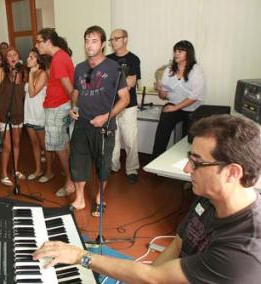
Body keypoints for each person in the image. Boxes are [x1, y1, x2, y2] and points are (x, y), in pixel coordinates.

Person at [34, 114, 261, 283]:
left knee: (80, 256)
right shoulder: (209, 198)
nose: (187, 168)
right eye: (189, 158)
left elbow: (156, 277)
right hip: (162, 276)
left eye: (197, 162)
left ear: (233, 172)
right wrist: (147, 277)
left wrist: (82, 257)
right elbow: (178, 244)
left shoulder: (243, 252)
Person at [68, 26, 129, 214]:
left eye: (94, 41)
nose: (89, 45)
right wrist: (74, 107)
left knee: (103, 164)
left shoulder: (114, 68)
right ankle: (79, 200)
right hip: (82, 124)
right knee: (78, 162)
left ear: (103, 44)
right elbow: (77, 92)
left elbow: (125, 99)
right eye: (87, 40)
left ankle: (99, 199)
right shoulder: (81, 68)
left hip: (104, 125)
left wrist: (106, 117)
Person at [35, 28, 75, 196]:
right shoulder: (61, 56)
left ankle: (70, 182)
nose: (36, 45)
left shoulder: (58, 59)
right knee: (64, 144)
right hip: (59, 105)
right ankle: (71, 177)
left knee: (59, 146)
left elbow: (69, 89)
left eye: (39, 42)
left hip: (58, 107)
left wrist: (74, 107)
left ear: (48, 42)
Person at [152, 40, 206, 159]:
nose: (176, 54)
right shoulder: (169, 70)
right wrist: (160, 89)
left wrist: (175, 108)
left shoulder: (196, 69)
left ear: (189, 53)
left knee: (188, 138)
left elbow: (195, 95)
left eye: (180, 51)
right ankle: (155, 159)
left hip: (193, 107)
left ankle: (186, 162)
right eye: (175, 51)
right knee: (164, 122)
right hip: (175, 105)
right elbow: (163, 96)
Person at [107, 29, 140, 184]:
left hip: (128, 105)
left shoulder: (133, 59)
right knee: (113, 138)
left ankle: (132, 169)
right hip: (111, 105)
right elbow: (103, 81)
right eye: (111, 39)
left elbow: (131, 83)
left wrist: (115, 83)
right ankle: (113, 166)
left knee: (130, 139)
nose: (113, 42)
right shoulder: (107, 59)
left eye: (116, 38)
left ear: (125, 39)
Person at [0, 47, 26, 186]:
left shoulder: (22, 72)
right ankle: (4, 174)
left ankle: (16, 170)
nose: (12, 57)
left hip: (18, 113)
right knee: (7, 147)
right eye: (9, 55)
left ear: (18, 57)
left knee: (17, 144)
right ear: (6, 59)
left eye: (15, 54)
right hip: (4, 114)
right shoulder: (0, 72)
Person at [24, 48, 54, 182]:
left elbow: (32, 93)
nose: (28, 59)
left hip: (39, 114)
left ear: (38, 60)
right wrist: (29, 74)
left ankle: (49, 172)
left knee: (44, 145)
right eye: (28, 57)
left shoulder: (42, 74)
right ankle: (38, 170)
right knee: (34, 143)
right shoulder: (29, 73)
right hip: (29, 113)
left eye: (31, 57)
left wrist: (31, 75)